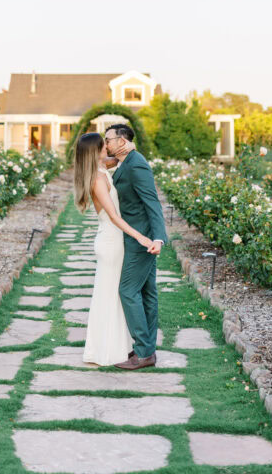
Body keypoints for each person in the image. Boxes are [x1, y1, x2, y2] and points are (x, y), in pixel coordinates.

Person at [73, 131, 159, 366]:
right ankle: (109, 350)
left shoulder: (101, 170)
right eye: (104, 144)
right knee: (112, 296)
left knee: (113, 295)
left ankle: (122, 348)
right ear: (96, 150)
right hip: (112, 241)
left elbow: (121, 159)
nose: (107, 147)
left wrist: (127, 149)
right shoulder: (98, 179)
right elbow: (113, 216)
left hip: (113, 240)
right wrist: (140, 237)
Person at [104, 123, 168, 369]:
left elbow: (152, 202)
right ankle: (147, 352)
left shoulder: (137, 163)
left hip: (142, 239)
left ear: (122, 142)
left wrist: (158, 238)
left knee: (128, 291)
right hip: (136, 237)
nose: (106, 144)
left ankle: (143, 352)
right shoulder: (126, 161)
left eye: (108, 139)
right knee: (147, 293)